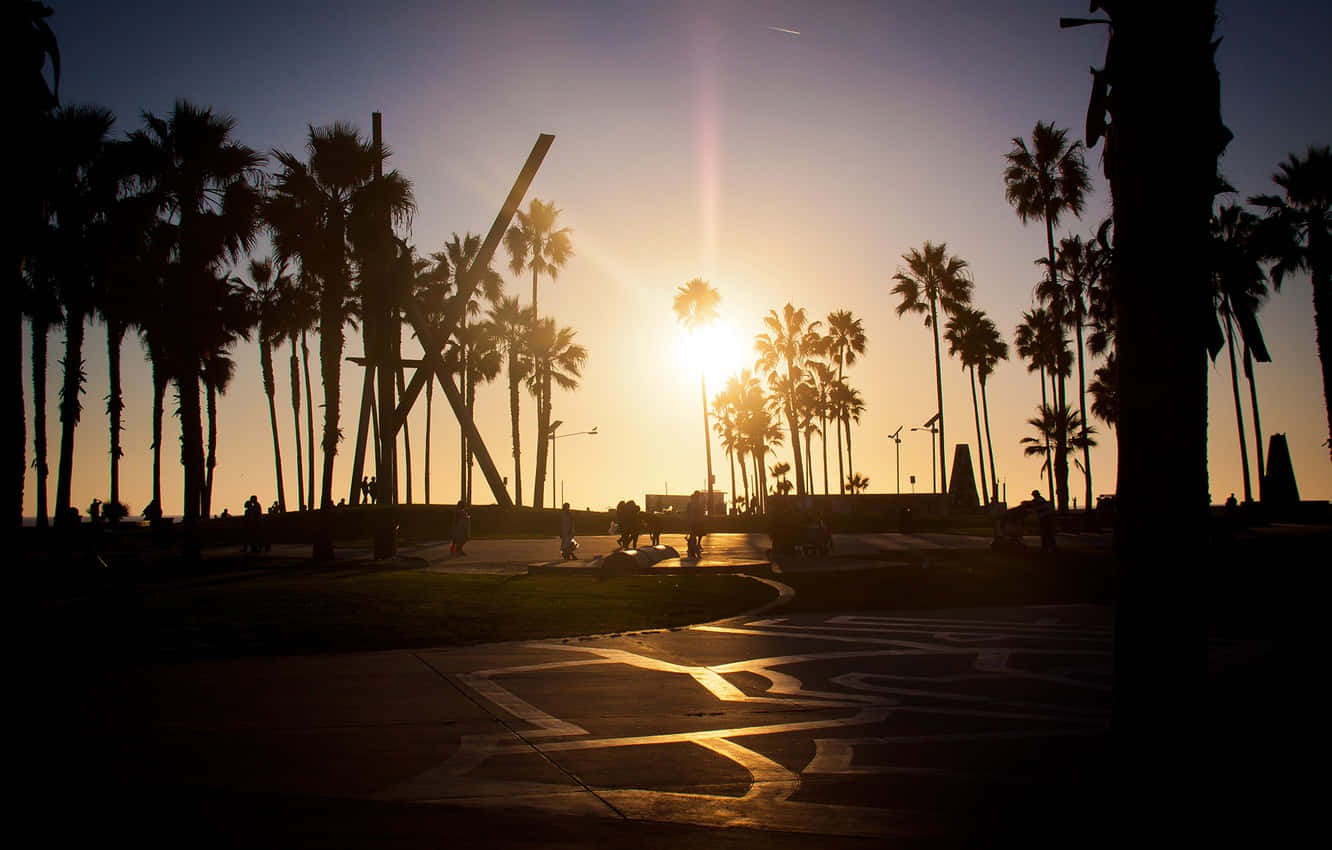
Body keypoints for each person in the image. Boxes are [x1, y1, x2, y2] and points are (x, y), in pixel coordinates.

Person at [686, 492, 705, 559]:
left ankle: (693, 549)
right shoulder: (695, 504)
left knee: (693, 536)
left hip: (695, 523)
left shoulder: (696, 504)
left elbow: (689, 514)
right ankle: (694, 549)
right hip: (694, 523)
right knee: (694, 536)